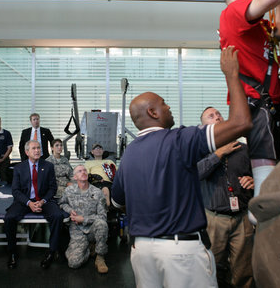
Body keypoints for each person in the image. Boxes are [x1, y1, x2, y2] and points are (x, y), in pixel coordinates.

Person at [111, 46, 252, 288]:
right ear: (153, 112)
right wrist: (231, 74)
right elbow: (241, 122)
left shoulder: (129, 153)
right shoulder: (180, 139)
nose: (169, 108)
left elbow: (117, 202)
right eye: (164, 104)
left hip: (142, 253)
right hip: (181, 253)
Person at [217, 0, 280, 210]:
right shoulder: (234, 11)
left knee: (274, 147)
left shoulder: (256, 23)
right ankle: (261, 204)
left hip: (270, 99)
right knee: (265, 152)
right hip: (254, 98)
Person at [198, 107, 255, 288]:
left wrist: (253, 180)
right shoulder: (201, 151)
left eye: (219, 114)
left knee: (244, 269)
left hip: (243, 218)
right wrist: (219, 153)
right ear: (204, 126)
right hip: (214, 219)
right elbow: (196, 173)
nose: (217, 117)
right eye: (211, 116)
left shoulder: (245, 149)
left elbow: (260, 175)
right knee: (212, 268)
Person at [4, 140, 64, 269]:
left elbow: (52, 188)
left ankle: (52, 251)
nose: (37, 151)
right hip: (25, 200)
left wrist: (42, 201)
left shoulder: (48, 166)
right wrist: (29, 203)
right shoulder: (19, 168)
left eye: (38, 148)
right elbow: (15, 190)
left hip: (44, 200)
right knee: (9, 218)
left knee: (58, 216)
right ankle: (12, 252)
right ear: (27, 152)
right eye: (34, 148)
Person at [59, 164, 109, 273]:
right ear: (75, 177)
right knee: (73, 263)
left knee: (102, 224)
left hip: (92, 229)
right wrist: (69, 210)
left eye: (85, 170)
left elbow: (102, 216)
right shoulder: (69, 191)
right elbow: (62, 204)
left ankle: (100, 257)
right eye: (80, 171)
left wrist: (84, 219)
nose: (83, 172)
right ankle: (89, 248)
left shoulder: (97, 192)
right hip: (77, 231)